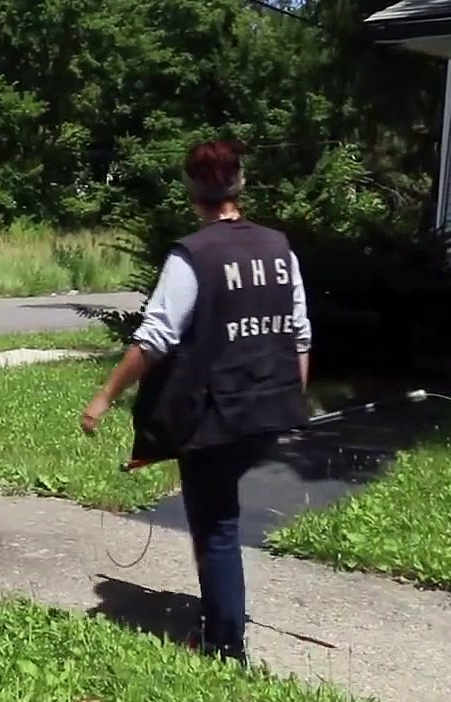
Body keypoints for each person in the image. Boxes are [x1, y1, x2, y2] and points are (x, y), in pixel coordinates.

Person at [79, 140, 312, 667]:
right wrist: (291, 405)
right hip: (267, 410)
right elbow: (299, 335)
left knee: (217, 524)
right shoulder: (280, 248)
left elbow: (155, 337)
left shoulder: (193, 255)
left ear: (191, 191)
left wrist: (104, 395)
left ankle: (224, 643)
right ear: (241, 183)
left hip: (218, 414)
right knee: (220, 512)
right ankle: (223, 615)